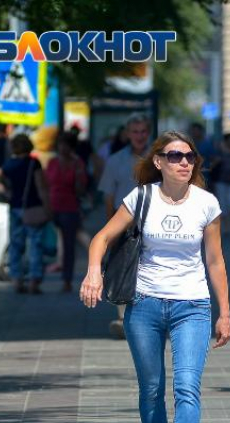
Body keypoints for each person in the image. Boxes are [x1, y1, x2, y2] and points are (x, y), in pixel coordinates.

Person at [79, 130, 230, 423]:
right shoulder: (141, 196)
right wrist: (93, 271)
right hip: (144, 305)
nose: (184, 163)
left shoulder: (207, 203)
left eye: (190, 157)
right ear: (159, 161)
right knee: (151, 391)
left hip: (192, 306)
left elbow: (215, 260)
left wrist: (224, 312)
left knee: (186, 387)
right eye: (175, 156)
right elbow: (101, 238)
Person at [98, 113, 151, 339]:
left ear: (148, 133)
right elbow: (108, 197)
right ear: (128, 134)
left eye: (143, 131)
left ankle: (148, 315)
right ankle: (122, 317)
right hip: (123, 224)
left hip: (151, 223)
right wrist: (111, 229)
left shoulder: (159, 159)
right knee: (122, 269)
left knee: (147, 269)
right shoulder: (115, 160)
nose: (139, 136)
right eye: (135, 132)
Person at [0, 134, 49, 294]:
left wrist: (6, 191)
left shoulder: (9, 164)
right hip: (33, 207)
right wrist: (48, 207)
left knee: (16, 244)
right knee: (35, 244)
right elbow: (41, 187)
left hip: (15, 206)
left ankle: (17, 280)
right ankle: (34, 282)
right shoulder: (33, 163)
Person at [45, 132, 88, 293]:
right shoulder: (52, 162)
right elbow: (46, 184)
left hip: (70, 207)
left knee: (69, 245)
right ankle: (37, 277)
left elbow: (80, 189)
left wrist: (77, 175)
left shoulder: (77, 164)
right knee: (49, 243)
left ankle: (67, 279)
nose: (62, 148)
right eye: (60, 144)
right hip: (51, 206)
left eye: (66, 145)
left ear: (71, 147)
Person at [211, 133, 230, 231]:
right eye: (229, 140)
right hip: (221, 181)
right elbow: (212, 165)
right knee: (223, 205)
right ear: (225, 141)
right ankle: (227, 226)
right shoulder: (219, 152)